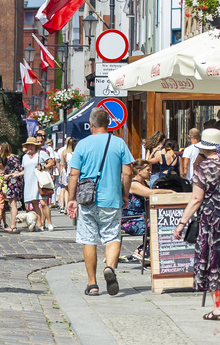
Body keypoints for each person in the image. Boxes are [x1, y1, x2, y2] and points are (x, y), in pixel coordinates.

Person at [67, 108, 134, 297]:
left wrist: (71, 199)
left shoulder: (82, 144)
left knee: (89, 240)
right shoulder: (119, 143)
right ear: (109, 123)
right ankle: (110, 267)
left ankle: (92, 284)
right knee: (112, 236)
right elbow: (128, 172)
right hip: (112, 199)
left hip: (87, 199)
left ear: (91, 123)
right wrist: (125, 194)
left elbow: (74, 174)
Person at [173, 128, 220, 320]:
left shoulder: (203, 168)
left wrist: (182, 222)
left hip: (212, 220)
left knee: (212, 262)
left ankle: (218, 308)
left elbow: (196, 199)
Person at [122, 159, 174, 260]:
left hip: (142, 218)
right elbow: (150, 193)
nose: (150, 172)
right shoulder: (133, 184)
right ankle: (145, 253)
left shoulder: (144, 184)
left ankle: (142, 251)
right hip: (131, 220)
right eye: (147, 170)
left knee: (162, 223)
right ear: (139, 171)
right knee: (157, 226)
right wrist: (169, 191)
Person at [18, 137, 54, 232]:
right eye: (28, 145)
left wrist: (43, 167)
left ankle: (49, 223)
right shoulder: (25, 157)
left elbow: (51, 162)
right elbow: (24, 170)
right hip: (29, 181)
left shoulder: (41, 154)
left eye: (31, 145)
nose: (30, 147)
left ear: (35, 146)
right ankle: (39, 224)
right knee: (34, 203)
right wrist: (15, 174)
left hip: (39, 181)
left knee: (43, 202)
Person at [0, 142, 22, 233]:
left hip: (14, 183)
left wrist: (8, 175)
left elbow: (18, 171)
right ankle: (12, 225)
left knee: (13, 204)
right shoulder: (8, 159)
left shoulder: (13, 159)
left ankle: (13, 225)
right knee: (10, 203)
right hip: (10, 183)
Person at [57, 138, 77, 213]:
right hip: (75, 173)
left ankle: (66, 207)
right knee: (75, 191)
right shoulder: (76, 153)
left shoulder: (64, 153)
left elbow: (63, 164)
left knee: (66, 190)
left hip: (67, 173)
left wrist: (61, 173)